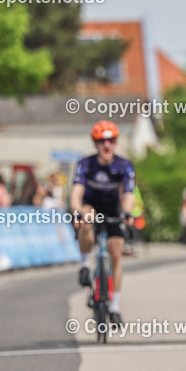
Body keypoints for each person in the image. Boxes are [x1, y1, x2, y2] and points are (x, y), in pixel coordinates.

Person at [70, 121, 136, 322]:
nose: (106, 145)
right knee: (87, 217)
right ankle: (84, 265)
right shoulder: (85, 164)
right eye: (101, 141)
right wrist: (77, 211)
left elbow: (128, 194)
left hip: (113, 208)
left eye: (111, 141)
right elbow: (76, 193)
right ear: (95, 144)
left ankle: (114, 307)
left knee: (116, 254)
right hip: (91, 206)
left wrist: (126, 212)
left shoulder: (124, 165)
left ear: (115, 143)